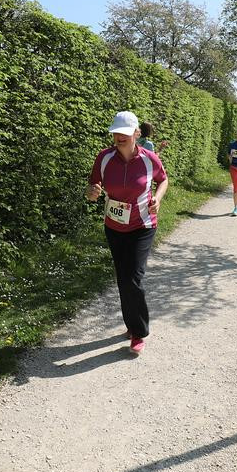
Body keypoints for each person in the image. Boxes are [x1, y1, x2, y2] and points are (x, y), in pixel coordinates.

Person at [86, 111, 168, 354]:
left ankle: (139, 332)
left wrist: (159, 199)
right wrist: (91, 192)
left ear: (136, 133)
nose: (119, 137)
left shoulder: (149, 158)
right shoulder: (104, 157)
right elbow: (93, 185)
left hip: (142, 225)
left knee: (133, 276)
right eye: (115, 133)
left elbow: (163, 180)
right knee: (123, 278)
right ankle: (131, 325)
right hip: (114, 226)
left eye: (124, 132)